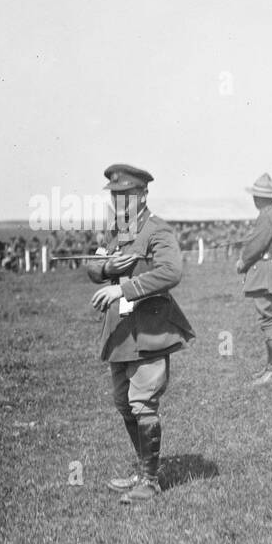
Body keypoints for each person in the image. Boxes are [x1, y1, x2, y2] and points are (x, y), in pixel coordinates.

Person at [86, 164, 195, 504]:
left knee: (142, 401)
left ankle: (150, 481)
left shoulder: (157, 230)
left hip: (150, 328)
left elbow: (171, 271)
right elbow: (92, 262)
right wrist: (105, 268)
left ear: (143, 195)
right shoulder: (116, 231)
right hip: (120, 331)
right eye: (116, 197)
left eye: (127, 197)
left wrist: (125, 288)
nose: (120, 204)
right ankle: (143, 470)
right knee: (124, 403)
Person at [237, 173, 272, 386]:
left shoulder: (265, 216)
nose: (254, 199)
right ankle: (271, 368)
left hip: (265, 274)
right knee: (270, 319)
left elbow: (255, 246)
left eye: (255, 196)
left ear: (260, 198)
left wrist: (243, 261)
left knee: (268, 321)